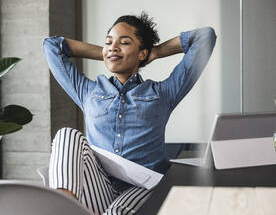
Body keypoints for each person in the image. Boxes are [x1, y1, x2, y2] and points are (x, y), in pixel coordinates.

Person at [42, 12, 216, 214]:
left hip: (142, 188)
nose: (113, 46)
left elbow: (205, 37)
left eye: (124, 42)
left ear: (142, 53)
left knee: (117, 213)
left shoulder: (163, 94)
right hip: (99, 187)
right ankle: (63, 210)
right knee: (66, 134)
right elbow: (51, 46)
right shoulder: (89, 92)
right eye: (109, 42)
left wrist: (156, 51)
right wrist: (109, 52)